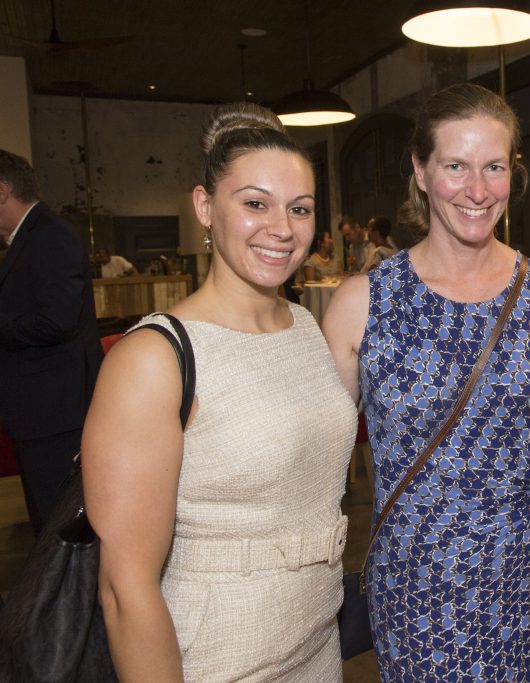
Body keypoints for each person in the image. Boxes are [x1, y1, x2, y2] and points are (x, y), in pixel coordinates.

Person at [322, 82, 530, 682]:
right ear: (420, 171)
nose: (477, 190)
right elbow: (319, 460)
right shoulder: (364, 303)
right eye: (455, 166)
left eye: (494, 166)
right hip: (417, 587)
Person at [81, 103, 358, 681]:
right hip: (216, 661)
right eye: (255, 203)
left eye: (299, 208)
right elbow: (125, 590)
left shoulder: (305, 327)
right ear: (205, 207)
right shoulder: (155, 358)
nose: (282, 228)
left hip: (317, 647)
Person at [0, 149, 103, 533]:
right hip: (42, 411)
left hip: (56, 414)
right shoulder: (30, 237)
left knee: (60, 530)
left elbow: (57, 322)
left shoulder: (49, 236)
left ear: (2, 191)